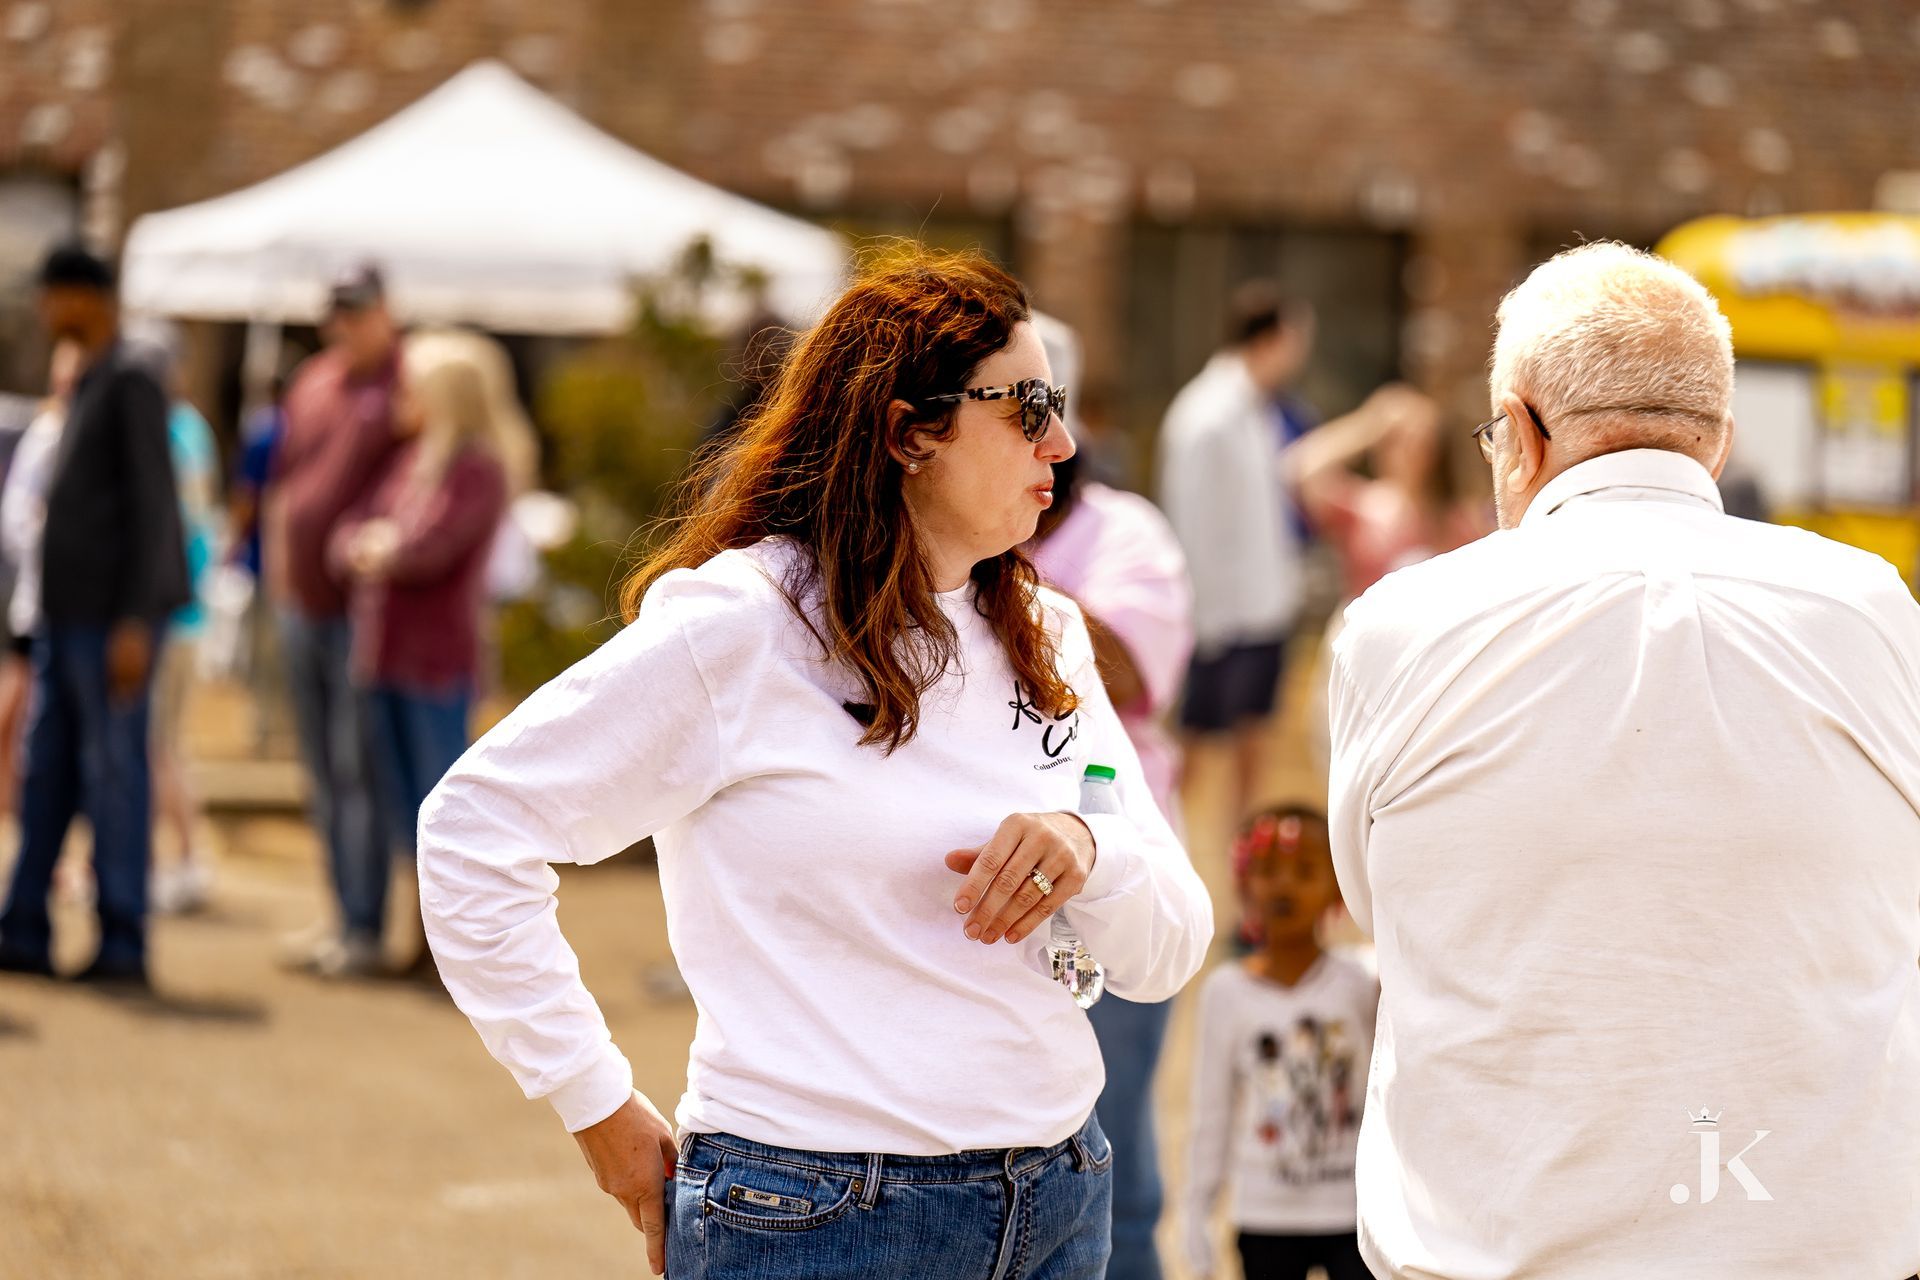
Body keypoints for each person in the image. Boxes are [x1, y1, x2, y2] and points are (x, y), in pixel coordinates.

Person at [417, 249, 1214, 1280]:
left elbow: (1170, 946)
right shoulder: (745, 625)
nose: (1061, 440)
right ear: (906, 430)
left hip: (1060, 1199)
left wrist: (1084, 847)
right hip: (817, 1220)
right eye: (1026, 407)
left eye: (1056, 405)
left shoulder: (1048, 632)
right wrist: (597, 1106)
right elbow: (474, 829)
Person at [1327, 242, 1920, 1278]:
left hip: (1497, 1246)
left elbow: (1383, 906)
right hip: (1821, 1244)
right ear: (1720, 443)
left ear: (1518, 432)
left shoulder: (1401, 626)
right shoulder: (1872, 610)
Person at [1028, 313, 1195, 1280]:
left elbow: (1131, 673)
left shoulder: (1125, 532)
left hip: (1107, 889)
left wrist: (995, 559)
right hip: (978, 897)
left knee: (1111, 1166)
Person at [0, 244, 188, 986]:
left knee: (115, 775)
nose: (46, 313)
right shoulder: (93, 374)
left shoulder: (133, 375)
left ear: (87, 297)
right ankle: (24, 925)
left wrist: (138, 621)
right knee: (45, 771)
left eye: (54, 297)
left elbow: (153, 507)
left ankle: (122, 939)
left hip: (110, 622)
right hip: (65, 615)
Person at [331, 330, 530, 973]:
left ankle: (443, 946)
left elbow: (425, 550)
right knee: (397, 800)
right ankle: (421, 939)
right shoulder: (413, 461)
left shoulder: (476, 467)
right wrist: (380, 546)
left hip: (435, 664)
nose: (402, 396)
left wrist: (380, 548)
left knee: (435, 808)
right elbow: (348, 537)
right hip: (386, 656)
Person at [264, 262, 401, 979]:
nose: (347, 323)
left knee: (357, 768)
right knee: (320, 766)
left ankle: (366, 925)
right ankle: (341, 913)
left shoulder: (407, 384)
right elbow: (287, 481)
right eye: (337, 311)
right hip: (304, 603)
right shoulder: (314, 381)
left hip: (361, 610)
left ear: (385, 309)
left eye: (359, 309)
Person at [1184, 807, 1376, 1280]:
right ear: (1245, 882)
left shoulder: (1365, 981)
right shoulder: (1225, 991)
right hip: (1264, 1216)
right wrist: (1196, 1214)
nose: (1284, 886)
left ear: (1337, 884)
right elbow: (1211, 1112)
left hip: (1355, 1214)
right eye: (1268, 871)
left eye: (1306, 871)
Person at [1157, 282, 1311, 823]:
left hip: (1263, 610)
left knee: (1254, 755)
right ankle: (1159, 860)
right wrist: (1203, 624)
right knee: (1192, 756)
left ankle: (1246, 888)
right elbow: (1192, 524)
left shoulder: (1260, 411)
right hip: (1219, 621)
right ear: (1273, 338)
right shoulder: (1207, 414)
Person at [123, 328, 223, 916]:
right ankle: (178, 860)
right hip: (181, 611)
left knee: (157, 745)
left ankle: (183, 859)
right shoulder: (189, 428)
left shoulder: (173, 430)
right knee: (163, 744)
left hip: (171, 614)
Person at [0, 339, 82, 826]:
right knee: (26, 711)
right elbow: (17, 517)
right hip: (41, 598)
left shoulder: (70, 430)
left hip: (56, 601)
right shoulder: (50, 433)